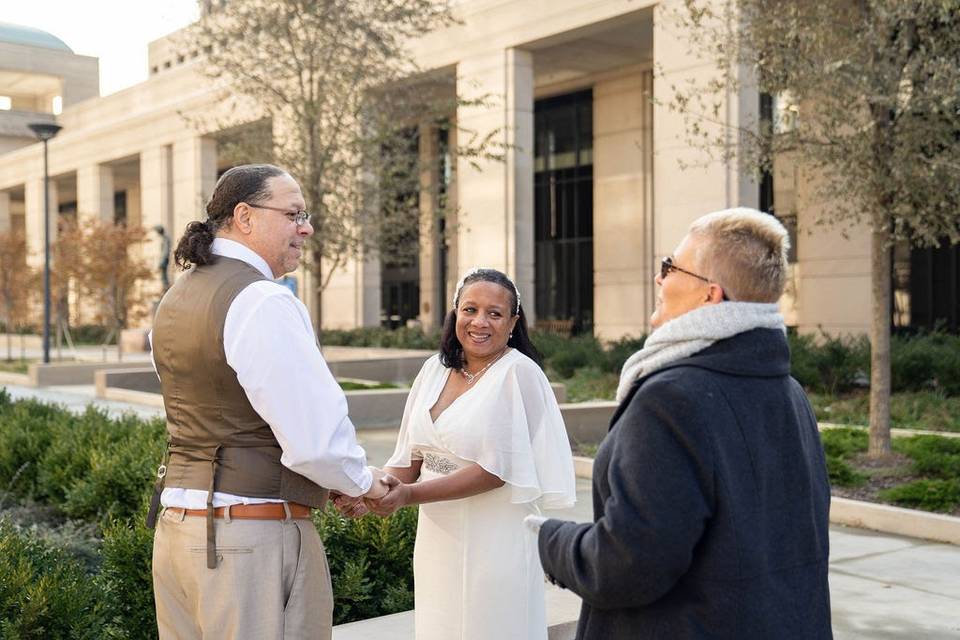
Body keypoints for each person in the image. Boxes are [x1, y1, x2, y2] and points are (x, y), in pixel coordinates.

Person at [530, 208, 832, 639]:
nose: (660, 279)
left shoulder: (670, 400)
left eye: (670, 267)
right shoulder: (790, 393)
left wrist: (548, 541)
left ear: (710, 295)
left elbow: (627, 565)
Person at [148, 164, 390, 640]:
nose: (307, 227)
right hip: (247, 540)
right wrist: (365, 483)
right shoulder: (262, 300)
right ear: (245, 216)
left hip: (177, 532)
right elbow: (316, 443)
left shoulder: (175, 298)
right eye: (294, 214)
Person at [350, 267, 577, 640]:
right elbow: (411, 456)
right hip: (438, 536)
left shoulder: (519, 374)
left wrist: (408, 496)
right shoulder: (433, 369)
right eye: (470, 309)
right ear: (454, 312)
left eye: (495, 313)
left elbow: (496, 470)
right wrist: (367, 490)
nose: (479, 322)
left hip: (495, 534)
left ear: (513, 322)